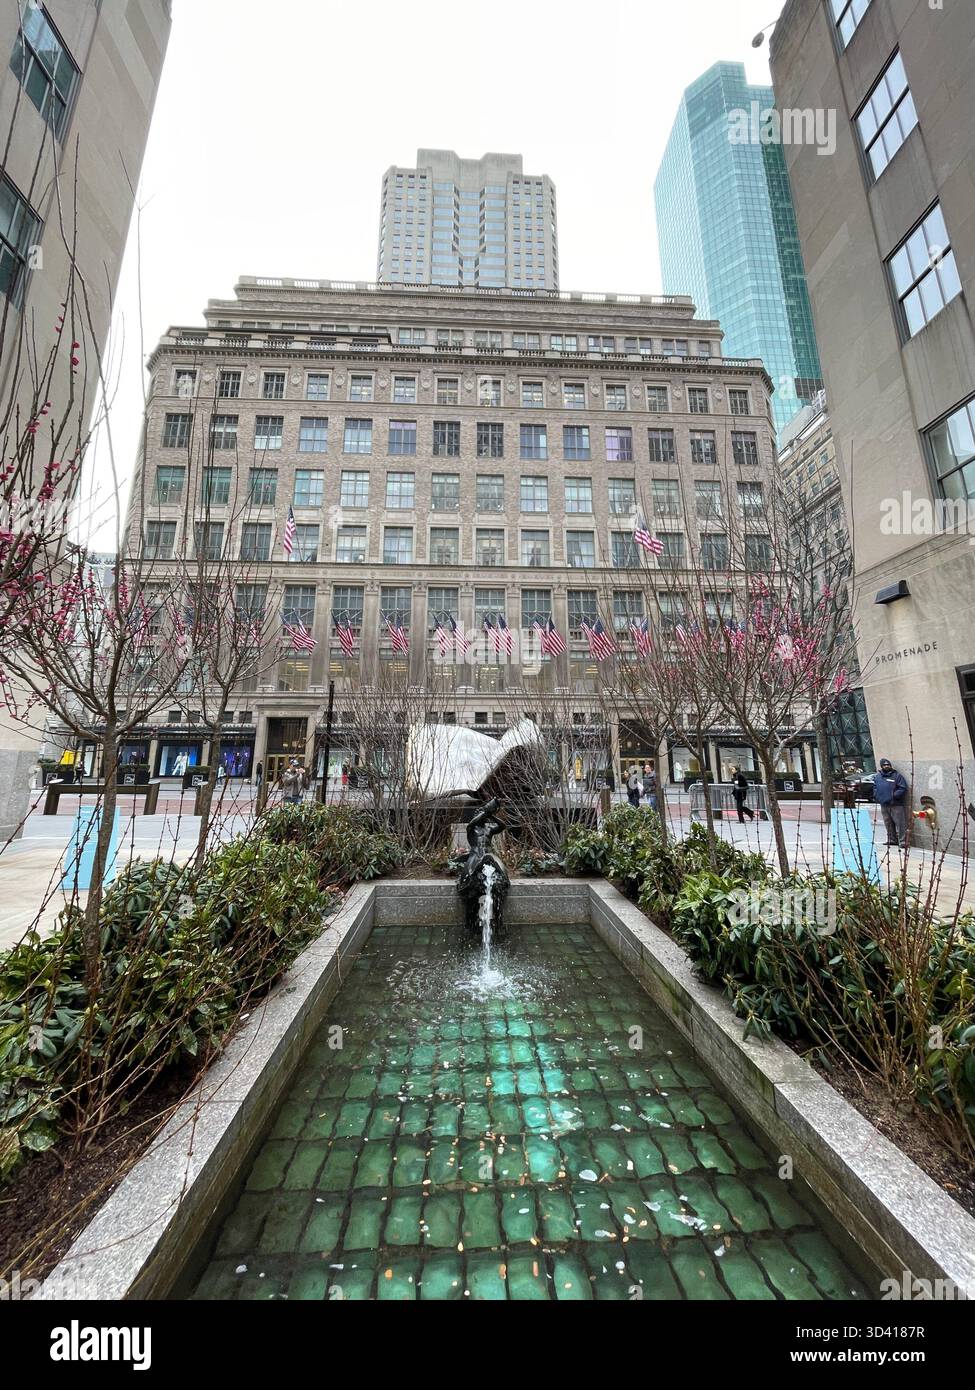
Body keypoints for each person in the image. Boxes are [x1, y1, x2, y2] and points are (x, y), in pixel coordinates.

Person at [873, 757, 909, 847]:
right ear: (881, 766)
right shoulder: (878, 777)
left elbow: (902, 787)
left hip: (895, 804)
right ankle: (892, 839)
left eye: (888, 765)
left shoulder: (897, 776)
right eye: (884, 765)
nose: (887, 766)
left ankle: (903, 841)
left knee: (900, 823)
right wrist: (877, 796)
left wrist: (894, 796)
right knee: (888, 823)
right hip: (884, 804)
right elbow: (875, 788)